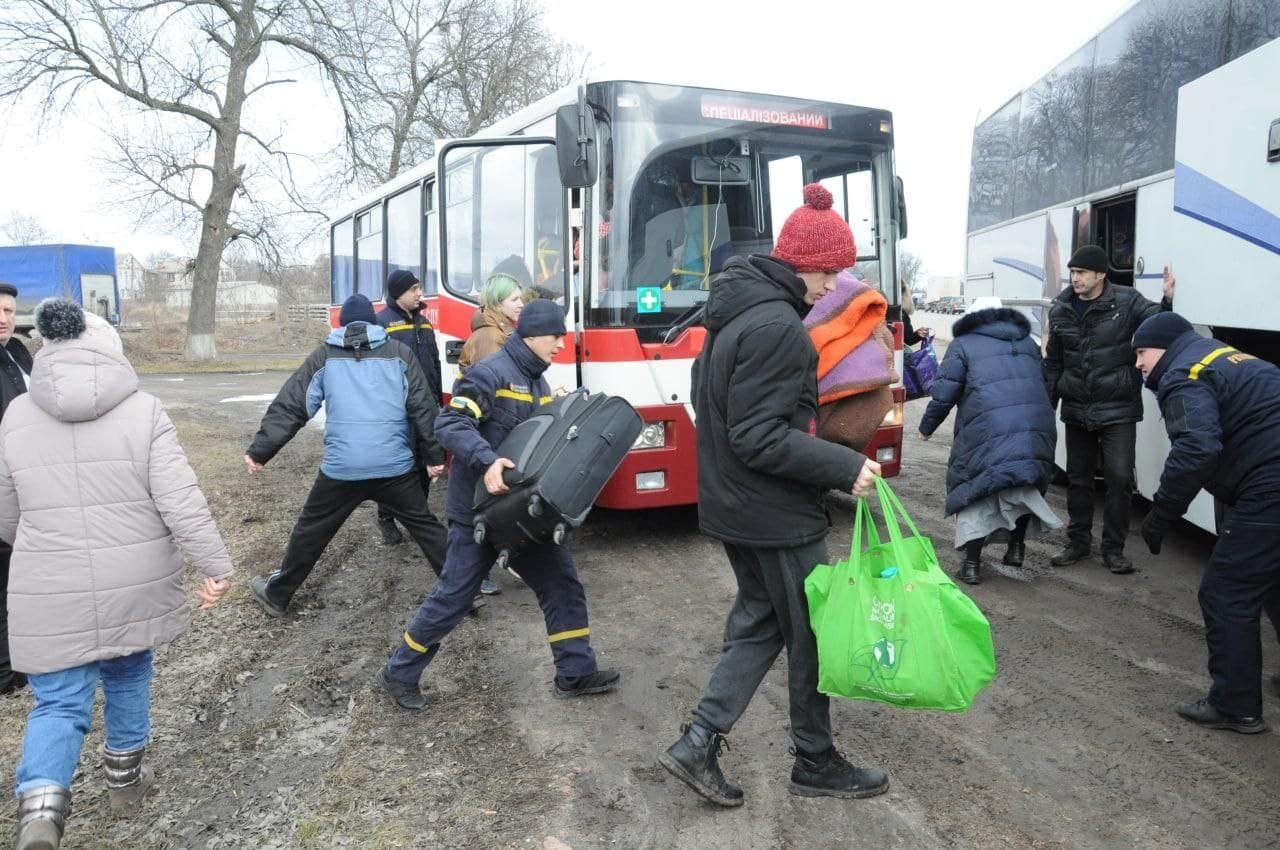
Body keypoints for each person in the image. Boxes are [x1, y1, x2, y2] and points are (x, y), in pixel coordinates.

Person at [660, 183, 887, 808]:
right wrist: (844, 465)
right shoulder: (779, 327)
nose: (833, 285)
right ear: (801, 263)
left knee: (761, 624)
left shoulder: (732, 313)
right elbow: (759, 436)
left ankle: (698, 742)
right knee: (813, 631)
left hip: (737, 504)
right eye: (828, 272)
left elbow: (719, 412)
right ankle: (815, 759)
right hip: (776, 513)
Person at [0, 299, 232, 850]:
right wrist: (215, 565)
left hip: (48, 583)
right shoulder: (144, 410)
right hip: (135, 577)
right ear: (109, 350)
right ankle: (125, 781)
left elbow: (6, 513)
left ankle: (41, 810)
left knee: (58, 701)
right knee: (128, 674)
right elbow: (179, 500)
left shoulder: (16, 415)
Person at [378, 299, 620, 710]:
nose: (562, 344)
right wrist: (487, 461)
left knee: (562, 584)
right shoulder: (490, 373)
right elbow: (450, 423)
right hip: (478, 514)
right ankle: (398, 672)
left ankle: (575, 672)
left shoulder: (537, 382)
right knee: (454, 597)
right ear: (532, 335)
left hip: (520, 515)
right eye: (555, 336)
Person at [245, 294, 455, 617]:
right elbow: (423, 408)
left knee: (311, 530)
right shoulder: (399, 354)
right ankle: (463, 590)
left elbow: (293, 404)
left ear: (342, 326)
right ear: (374, 323)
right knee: (426, 526)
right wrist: (434, 457)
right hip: (394, 468)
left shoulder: (325, 356)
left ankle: (277, 594)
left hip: (343, 470)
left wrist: (262, 449)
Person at [1133, 311, 1280, 734]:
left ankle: (1235, 706)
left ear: (1164, 347)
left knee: (1226, 592)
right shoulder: (1227, 357)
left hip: (1270, 486)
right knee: (1272, 582)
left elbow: (1196, 448)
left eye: (1142, 353)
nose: (1139, 364)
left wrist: (1162, 513)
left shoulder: (1185, 373)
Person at [1043, 247, 1173, 575]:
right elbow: (1054, 361)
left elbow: (1158, 322)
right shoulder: (1060, 309)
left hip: (1118, 408)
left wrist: (1168, 299)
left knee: (1119, 478)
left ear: (1101, 274)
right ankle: (1078, 543)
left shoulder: (1127, 301)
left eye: (1082, 273)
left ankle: (1113, 549)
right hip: (1077, 407)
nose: (1075, 278)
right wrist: (1047, 405)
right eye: (1073, 272)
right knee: (1078, 479)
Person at [919, 297, 1060, 584]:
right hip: (1034, 426)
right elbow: (1044, 385)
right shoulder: (1028, 343)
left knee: (976, 491)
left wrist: (926, 428)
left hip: (986, 429)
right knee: (1022, 483)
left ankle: (972, 565)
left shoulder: (963, 344)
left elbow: (944, 393)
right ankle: (1016, 548)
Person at [374, 270, 445, 549]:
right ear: (398, 293)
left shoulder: (424, 323)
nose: (420, 293)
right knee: (395, 467)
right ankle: (386, 518)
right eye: (414, 289)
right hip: (397, 411)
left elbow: (434, 363)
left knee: (425, 463)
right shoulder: (381, 324)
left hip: (425, 408)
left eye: (419, 288)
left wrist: (437, 399)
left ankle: (417, 517)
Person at [0, 281, 32, 696]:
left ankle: (18, 662)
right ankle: (6, 674)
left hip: (24, 479)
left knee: (17, 577)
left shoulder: (19, 353)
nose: (3, 319)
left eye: (8, 311)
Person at [459, 272, 526, 372]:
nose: (521, 304)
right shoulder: (490, 337)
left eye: (520, 299)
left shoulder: (497, 332)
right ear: (497, 304)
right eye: (514, 300)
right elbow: (489, 379)